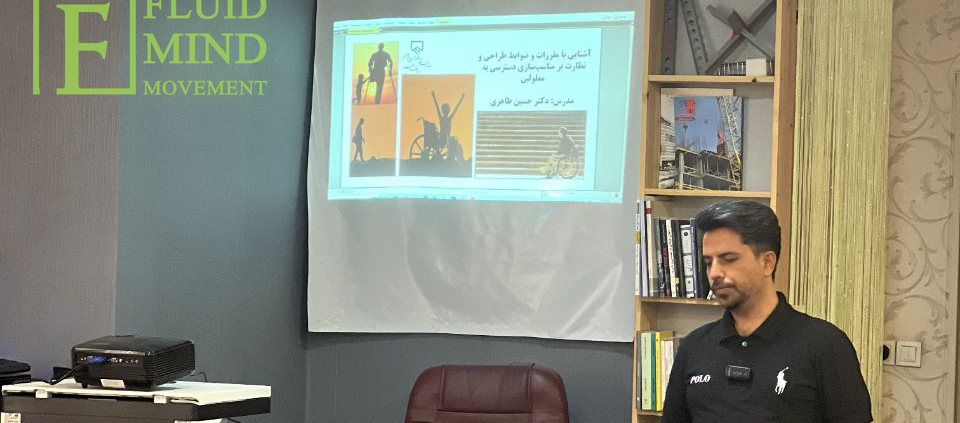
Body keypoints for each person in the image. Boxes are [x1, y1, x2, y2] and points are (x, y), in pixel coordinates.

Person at [660, 200, 873, 423]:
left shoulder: (824, 345)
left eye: (728, 259)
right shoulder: (693, 346)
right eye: (708, 262)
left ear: (767, 262)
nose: (714, 273)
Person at [431, 91, 465, 161]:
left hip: (447, 138)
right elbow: (437, 107)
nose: (445, 111)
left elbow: (456, 109)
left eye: (446, 110)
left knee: (455, 143)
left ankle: (456, 158)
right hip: (442, 139)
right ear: (443, 111)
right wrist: (434, 97)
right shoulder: (442, 118)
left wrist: (461, 98)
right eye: (444, 110)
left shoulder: (449, 118)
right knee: (450, 139)